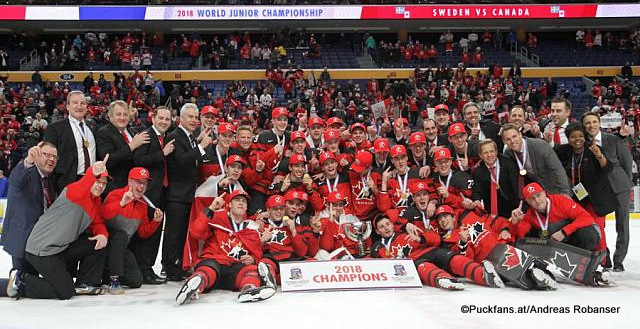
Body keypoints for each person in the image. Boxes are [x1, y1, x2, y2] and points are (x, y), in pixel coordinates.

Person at [7, 158, 110, 299]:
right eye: (98, 181)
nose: (100, 186)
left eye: (104, 183)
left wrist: (102, 235)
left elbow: (98, 223)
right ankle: (22, 279)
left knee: (97, 244)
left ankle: (85, 283)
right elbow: (83, 186)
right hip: (41, 250)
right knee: (65, 292)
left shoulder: (95, 201)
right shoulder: (74, 191)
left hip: (60, 247)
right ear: (90, 179)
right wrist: (93, 172)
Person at [175, 190, 276, 305]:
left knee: (251, 270)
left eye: (244, 201)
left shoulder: (252, 229)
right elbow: (196, 233)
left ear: (247, 207)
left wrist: (252, 259)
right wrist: (211, 208)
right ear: (229, 204)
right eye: (237, 200)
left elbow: (256, 252)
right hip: (214, 262)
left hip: (235, 268)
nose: (241, 203)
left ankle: (248, 289)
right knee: (207, 269)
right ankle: (195, 286)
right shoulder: (215, 219)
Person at [371, 210, 504, 291]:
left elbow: (436, 239)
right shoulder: (377, 247)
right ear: (377, 231)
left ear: (393, 224)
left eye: (387, 224)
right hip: (415, 262)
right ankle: (445, 280)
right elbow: (374, 264)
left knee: (452, 258)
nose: (386, 228)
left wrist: (420, 239)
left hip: (431, 250)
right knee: (424, 267)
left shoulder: (408, 231)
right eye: (381, 227)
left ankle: (484, 275)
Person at [163, 103, 213, 281]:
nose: (194, 120)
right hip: (177, 194)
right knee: (174, 234)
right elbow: (181, 162)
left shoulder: (189, 137)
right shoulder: (175, 136)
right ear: (180, 119)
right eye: (190, 117)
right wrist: (201, 147)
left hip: (185, 194)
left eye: (195, 117)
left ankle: (174, 266)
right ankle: (170, 268)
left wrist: (197, 143)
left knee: (180, 233)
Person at [556, 122, 618, 262]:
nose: (577, 139)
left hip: (596, 198)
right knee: (583, 230)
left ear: (585, 136)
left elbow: (608, 169)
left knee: (597, 229)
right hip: (577, 198)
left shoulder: (594, 148)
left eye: (580, 136)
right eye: (573, 137)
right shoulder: (563, 151)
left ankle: (602, 262)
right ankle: (585, 260)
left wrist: (599, 156)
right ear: (568, 138)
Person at [582, 112, 633, 271]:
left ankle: (619, 260)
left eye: (594, 122)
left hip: (619, 187)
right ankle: (605, 258)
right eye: (588, 123)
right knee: (598, 226)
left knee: (622, 225)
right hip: (598, 190)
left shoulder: (614, 139)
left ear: (599, 123)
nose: (591, 125)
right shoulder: (582, 142)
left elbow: (627, 162)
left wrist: (625, 182)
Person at [102, 167, 164, 294]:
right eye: (138, 182)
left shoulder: (142, 205)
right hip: (105, 244)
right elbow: (104, 214)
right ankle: (114, 280)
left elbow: (143, 232)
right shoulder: (116, 194)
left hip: (121, 249)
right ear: (129, 182)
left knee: (136, 281)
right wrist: (121, 203)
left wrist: (156, 222)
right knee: (121, 236)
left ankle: (106, 274)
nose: (141, 186)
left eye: (144, 183)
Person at [131, 106, 174, 284]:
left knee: (156, 231)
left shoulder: (166, 138)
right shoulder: (146, 136)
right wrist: (161, 154)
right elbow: (138, 161)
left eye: (167, 119)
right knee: (146, 232)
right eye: (161, 118)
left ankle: (149, 268)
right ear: (153, 118)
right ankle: (144, 270)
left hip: (162, 192)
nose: (164, 122)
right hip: (148, 193)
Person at [1, 142, 57, 276]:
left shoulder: (49, 180)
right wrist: (28, 161)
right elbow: (16, 180)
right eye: (46, 155)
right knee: (21, 281)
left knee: (32, 283)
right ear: (36, 155)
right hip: (22, 238)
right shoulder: (27, 172)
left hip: (39, 241)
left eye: (55, 156)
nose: (51, 159)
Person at [44, 91, 97, 194]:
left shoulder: (93, 126)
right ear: (67, 106)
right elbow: (48, 156)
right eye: (75, 103)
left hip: (91, 181)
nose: (79, 106)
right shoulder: (55, 128)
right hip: (66, 182)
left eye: (82, 103)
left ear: (86, 107)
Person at [96, 100, 150, 194]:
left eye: (125, 114)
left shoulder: (132, 132)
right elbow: (109, 159)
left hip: (134, 187)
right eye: (118, 114)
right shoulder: (103, 132)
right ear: (110, 116)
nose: (122, 117)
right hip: (115, 188)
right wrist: (132, 145)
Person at [501, 124, 570, 197]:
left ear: (520, 135)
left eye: (514, 136)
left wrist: (565, 192)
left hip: (558, 188)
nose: (512, 141)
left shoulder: (539, 145)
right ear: (504, 141)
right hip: (539, 194)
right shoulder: (508, 153)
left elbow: (557, 169)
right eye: (508, 139)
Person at [470, 140, 520, 218]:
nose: (489, 155)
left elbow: (516, 186)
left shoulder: (508, 163)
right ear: (480, 155)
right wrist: (476, 200)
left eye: (491, 151)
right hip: (490, 209)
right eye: (485, 153)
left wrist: (519, 206)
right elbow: (477, 190)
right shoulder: (478, 171)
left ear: (496, 151)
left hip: (512, 204)